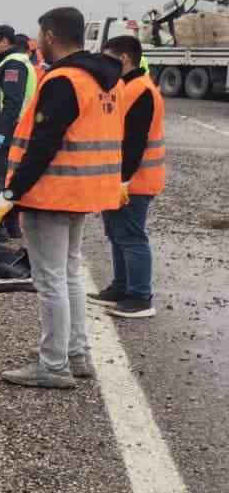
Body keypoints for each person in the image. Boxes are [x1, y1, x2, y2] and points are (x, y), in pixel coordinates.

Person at [0, 7, 123, 389]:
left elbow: (43, 145)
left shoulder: (62, 81)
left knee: (50, 279)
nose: (37, 43)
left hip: (51, 192)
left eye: (40, 36)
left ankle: (52, 365)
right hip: (83, 192)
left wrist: (11, 193)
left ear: (51, 36)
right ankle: (76, 352)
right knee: (68, 274)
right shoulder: (105, 79)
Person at [92, 35, 163, 320]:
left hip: (135, 179)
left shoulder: (140, 90)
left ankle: (140, 296)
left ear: (123, 59)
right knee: (117, 234)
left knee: (131, 237)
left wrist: (122, 179)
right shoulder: (127, 86)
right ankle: (121, 287)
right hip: (121, 177)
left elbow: (134, 141)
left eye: (108, 58)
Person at [0, 24, 36, 239]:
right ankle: (12, 226)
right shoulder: (22, 61)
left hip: (9, 129)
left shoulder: (13, 64)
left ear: (5, 41)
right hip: (20, 128)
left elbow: (12, 102)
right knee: (9, 178)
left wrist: (1, 133)